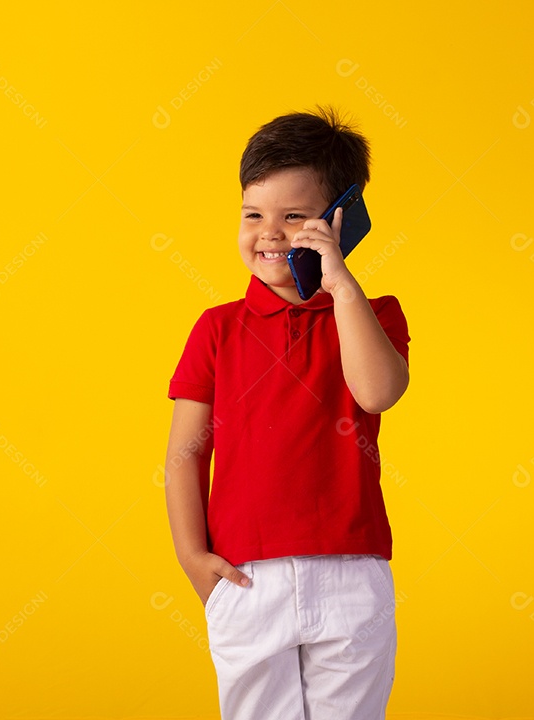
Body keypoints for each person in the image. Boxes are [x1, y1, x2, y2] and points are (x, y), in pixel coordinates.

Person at [164, 104, 410, 719]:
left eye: (295, 216)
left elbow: (377, 391)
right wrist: (193, 558)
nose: (269, 233)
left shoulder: (373, 315)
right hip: (248, 578)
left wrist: (340, 283)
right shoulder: (217, 328)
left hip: (352, 573)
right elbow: (185, 453)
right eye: (254, 214)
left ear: (340, 220)